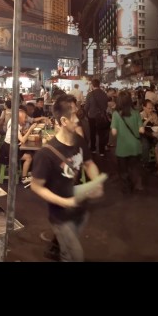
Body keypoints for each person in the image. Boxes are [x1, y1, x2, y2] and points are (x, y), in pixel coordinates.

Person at [31, 94, 104, 262]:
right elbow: (36, 186)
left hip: (80, 209)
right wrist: (64, 202)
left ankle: (59, 250)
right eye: (74, 115)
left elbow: (89, 163)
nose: (78, 119)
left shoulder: (79, 141)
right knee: (74, 255)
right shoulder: (46, 154)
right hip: (60, 215)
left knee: (68, 249)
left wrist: (96, 181)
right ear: (63, 121)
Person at [110, 90, 144, 193]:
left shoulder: (116, 114)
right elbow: (141, 130)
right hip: (135, 146)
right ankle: (137, 186)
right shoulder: (136, 113)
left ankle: (127, 189)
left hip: (122, 147)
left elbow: (114, 132)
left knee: (123, 170)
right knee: (135, 167)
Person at [0, 106, 38, 185]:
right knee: (29, 157)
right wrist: (30, 129)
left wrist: (25, 131)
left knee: (29, 154)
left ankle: (26, 173)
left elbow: (19, 136)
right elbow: (23, 140)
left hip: (9, 147)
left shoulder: (15, 122)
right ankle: (24, 178)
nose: (26, 119)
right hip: (8, 150)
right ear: (19, 118)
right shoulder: (15, 126)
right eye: (24, 118)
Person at [85, 78, 110, 156]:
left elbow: (86, 107)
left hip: (92, 116)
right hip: (101, 116)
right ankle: (102, 151)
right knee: (101, 133)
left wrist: (86, 114)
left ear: (92, 85)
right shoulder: (104, 93)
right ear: (99, 85)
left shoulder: (90, 94)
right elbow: (106, 105)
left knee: (92, 133)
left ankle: (93, 149)